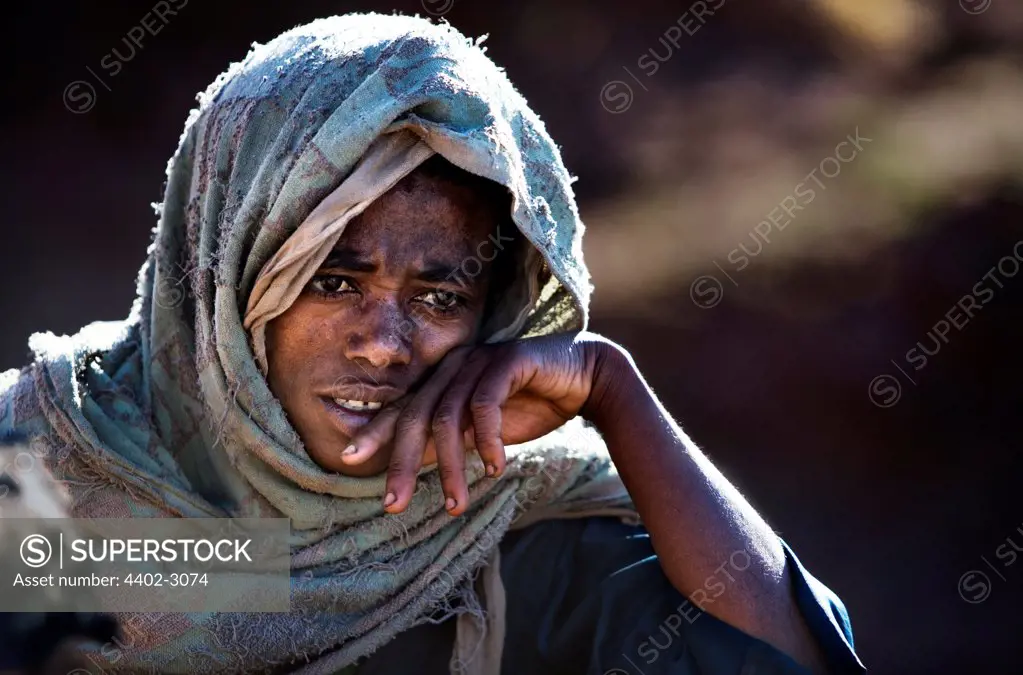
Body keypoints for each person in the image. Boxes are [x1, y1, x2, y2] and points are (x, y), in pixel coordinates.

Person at [0, 12, 866, 675]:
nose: (384, 344)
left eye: (439, 294)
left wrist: (614, 389)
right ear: (225, 266)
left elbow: (786, 655)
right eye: (332, 281)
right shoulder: (48, 470)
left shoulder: (503, 527)